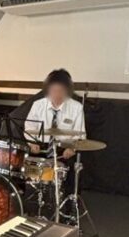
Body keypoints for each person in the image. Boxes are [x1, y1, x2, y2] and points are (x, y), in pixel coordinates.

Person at [24, 69, 85, 209]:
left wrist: (72, 148)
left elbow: (80, 135)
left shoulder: (76, 108)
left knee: (73, 174)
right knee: (28, 169)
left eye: (60, 90)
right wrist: (31, 143)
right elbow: (29, 126)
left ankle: (66, 209)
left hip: (64, 150)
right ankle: (33, 206)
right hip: (41, 147)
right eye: (53, 90)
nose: (56, 94)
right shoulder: (38, 105)